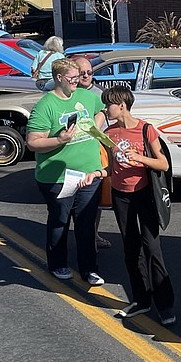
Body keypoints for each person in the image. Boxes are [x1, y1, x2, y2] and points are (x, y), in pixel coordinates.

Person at [25, 58, 106, 284]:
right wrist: (59, 139)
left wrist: (94, 127)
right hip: (58, 177)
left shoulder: (86, 96)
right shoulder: (46, 105)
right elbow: (32, 142)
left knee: (86, 223)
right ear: (59, 78)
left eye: (78, 77)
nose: (76, 81)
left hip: (89, 173)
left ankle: (89, 269)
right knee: (60, 221)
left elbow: (102, 110)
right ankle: (58, 264)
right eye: (72, 78)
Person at [101, 85, 176, 324]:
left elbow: (162, 164)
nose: (106, 109)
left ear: (122, 105)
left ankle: (165, 305)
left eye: (109, 105)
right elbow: (112, 167)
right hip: (120, 195)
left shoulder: (146, 130)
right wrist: (96, 173)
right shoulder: (110, 133)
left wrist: (140, 158)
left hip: (144, 194)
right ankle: (141, 300)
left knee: (151, 248)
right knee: (130, 249)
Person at [72, 55, 112, 249]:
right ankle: (81, 239)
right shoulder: (67, 94)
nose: (87, 76)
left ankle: (93, 236)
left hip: (96, 152)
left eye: (89, 72)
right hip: (72, 154)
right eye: (82, 73)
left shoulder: (101, 94)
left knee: (94, 199)